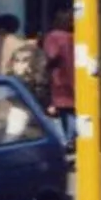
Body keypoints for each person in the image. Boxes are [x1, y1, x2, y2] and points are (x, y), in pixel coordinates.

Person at [42, 9, 78, 140]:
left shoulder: (53, 37)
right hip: (74, 78)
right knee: (71, 110)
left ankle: (64, 140)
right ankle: (73, 137)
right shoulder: (74, 36)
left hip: (59, 78)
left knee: (57, 111)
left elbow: (52, 55)